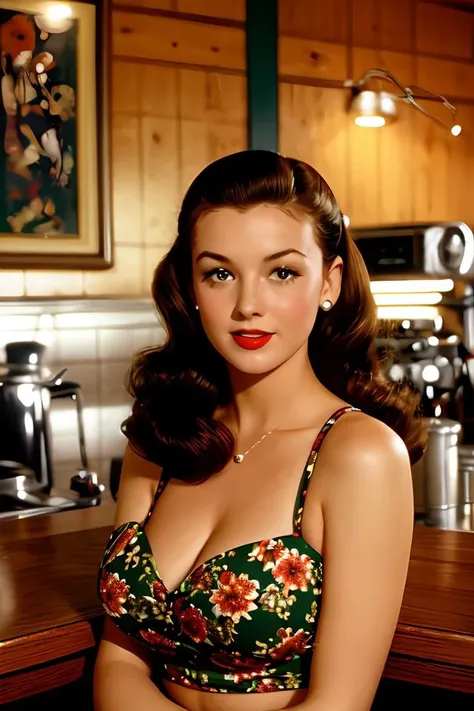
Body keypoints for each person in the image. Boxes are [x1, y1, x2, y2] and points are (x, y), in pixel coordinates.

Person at [94, 150, 426, 711]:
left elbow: (339, 702)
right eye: (219, 273)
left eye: (282, 272)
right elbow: (118, 664)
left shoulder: (359, 454)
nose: (248, 305)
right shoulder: (163, 436)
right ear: (191, 286)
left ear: (330, 282)